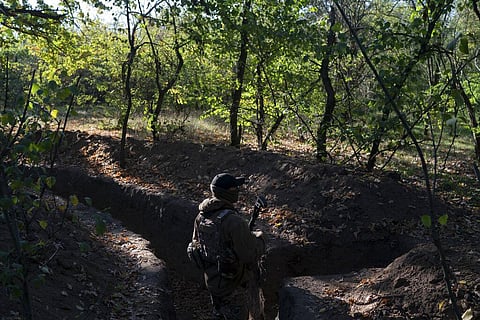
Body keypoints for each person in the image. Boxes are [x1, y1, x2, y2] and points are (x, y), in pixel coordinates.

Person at [188, 173, 265, 320]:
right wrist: (260, 239)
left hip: (212, 281)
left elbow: (198, 244)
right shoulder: (233, 222)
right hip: (233, 285)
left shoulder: (201, 216)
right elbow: (248, 254)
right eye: (235, 187)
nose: (238, 190)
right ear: (228, 193)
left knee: (219, 314)